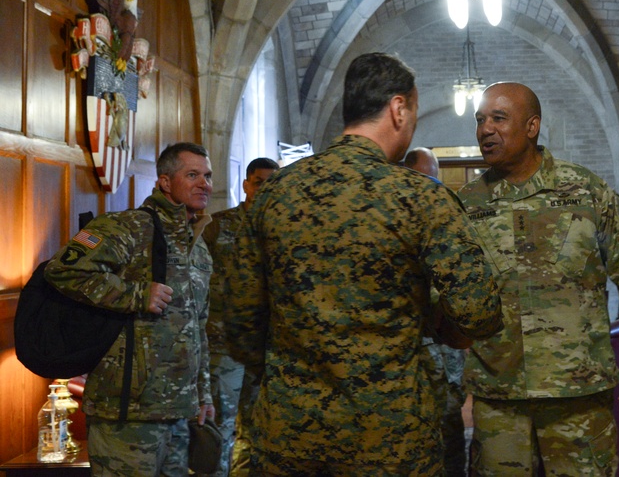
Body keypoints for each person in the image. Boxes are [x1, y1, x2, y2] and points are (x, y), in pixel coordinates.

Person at [224, 52, 503, 476]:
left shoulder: (273, 194)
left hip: (291, 433)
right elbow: (478, 310)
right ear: (398, 108)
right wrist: (436, 325)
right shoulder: (420, 197)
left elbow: (242, 327)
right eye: (412, 113)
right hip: (390, 434)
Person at [459, 81, 619, 476]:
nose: (485, 129)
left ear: (532, 126)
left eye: (499, 118)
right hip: (499, 399)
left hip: (578, 397)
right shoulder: (467, 206)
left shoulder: (587, 194)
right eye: (480, 120)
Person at [45, 142, 216, 476]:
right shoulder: (128, 227)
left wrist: (202, 394)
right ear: (165, 182)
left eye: (207, 176)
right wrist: (136, 294)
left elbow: (198, 328)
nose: (204, 184)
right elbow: (62, 270)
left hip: (178, 412)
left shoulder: (197, 246)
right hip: (126, 414)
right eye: (192, 174)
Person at [200, 157, 279, 477]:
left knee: (259, 429)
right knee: (222, 425)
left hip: (266, 347)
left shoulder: (282, 230)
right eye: (259, 183)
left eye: (272, 185)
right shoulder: (218, 225)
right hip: (224, 346)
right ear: (246, 185)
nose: (264, 191)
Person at [403, 146, 468, 477]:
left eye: (436, 178)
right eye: (427, 176)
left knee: (452, 433)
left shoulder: (446, 220)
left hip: (448, 355)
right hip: (413, 361)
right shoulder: (394, 220)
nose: (433, 185)